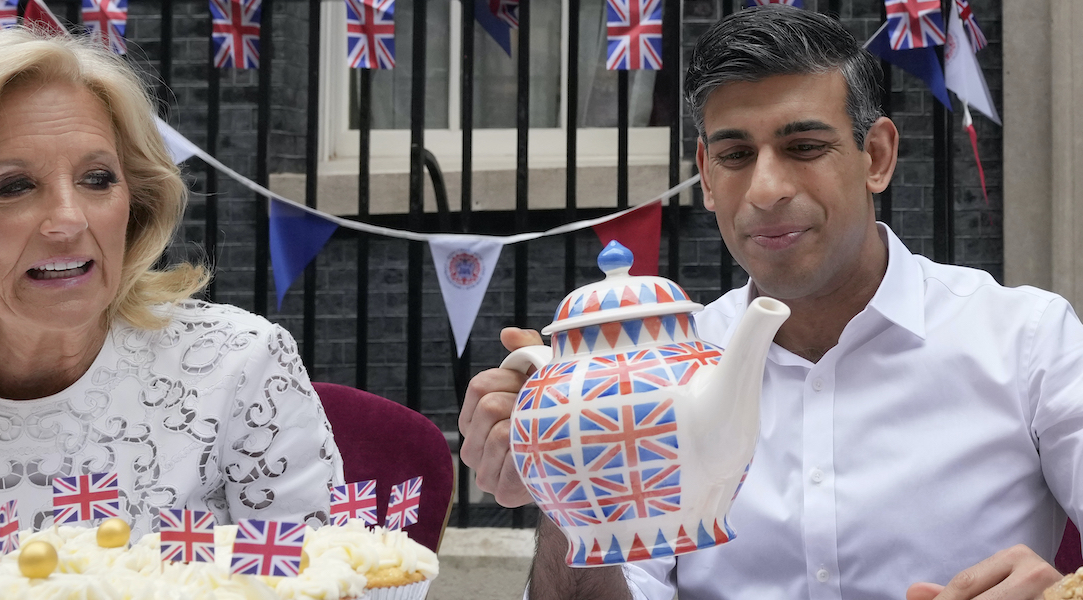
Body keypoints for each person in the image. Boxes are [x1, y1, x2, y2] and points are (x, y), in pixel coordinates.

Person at [459, 6, 1083, 600]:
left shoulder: (1025, 340)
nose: (766, 189)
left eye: (804, 147)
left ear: (877, 157)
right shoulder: (653, 377)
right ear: (705, 174)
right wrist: (569, 488)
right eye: (735, 155)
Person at [0, 28, 343, 564]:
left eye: (97, 179)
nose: (69, 220)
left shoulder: (238, 365)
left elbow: (326, 580)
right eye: (14, 186)